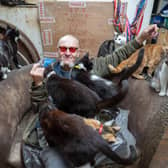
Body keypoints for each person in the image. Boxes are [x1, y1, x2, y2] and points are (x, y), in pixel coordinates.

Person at [22, 24, 158, 168]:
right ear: (58, 52)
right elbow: (38, 107)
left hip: (81, 134)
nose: (68, 53)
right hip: (57, 135)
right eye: (63, 49)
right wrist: (37, 84)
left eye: (72, 49)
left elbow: (116, 57)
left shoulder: (87, 68)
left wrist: (141, 38)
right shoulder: (46, 74)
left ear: (77, 52)